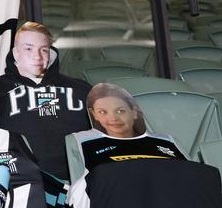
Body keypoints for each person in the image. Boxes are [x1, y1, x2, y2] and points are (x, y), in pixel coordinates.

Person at [64, 83, 218, 208]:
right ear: (94, 115)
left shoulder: (166, 141)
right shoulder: (82, 141)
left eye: (121, 110)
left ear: (135, 113)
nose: (113, 118)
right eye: (103, 112)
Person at [0, 21, 91, 181]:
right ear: (16, 53)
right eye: (28, 49)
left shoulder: (80, 88)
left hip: (80, 179)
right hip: (24, 181)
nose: (37, 56)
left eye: (43, 50)